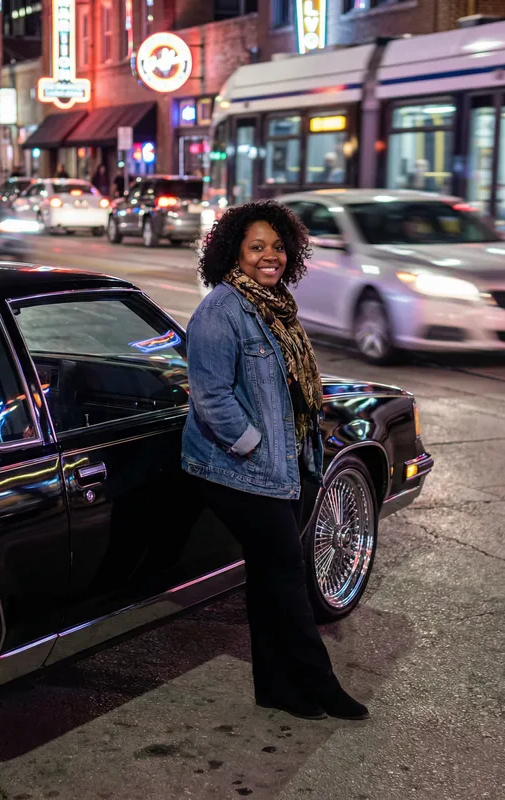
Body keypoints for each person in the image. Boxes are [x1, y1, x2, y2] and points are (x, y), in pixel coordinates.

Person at [183, 201, 369, 722]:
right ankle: (320, 683)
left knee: (268, 578)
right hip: (238, 469)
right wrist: (253, 446)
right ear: (232, 254)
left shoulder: (274, 305)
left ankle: (277, 687)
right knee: (288, 574)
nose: (271, 256)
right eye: (257, 248)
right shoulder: (221, 311)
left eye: (278, 246)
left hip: (279, 463)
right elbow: (211, 397)